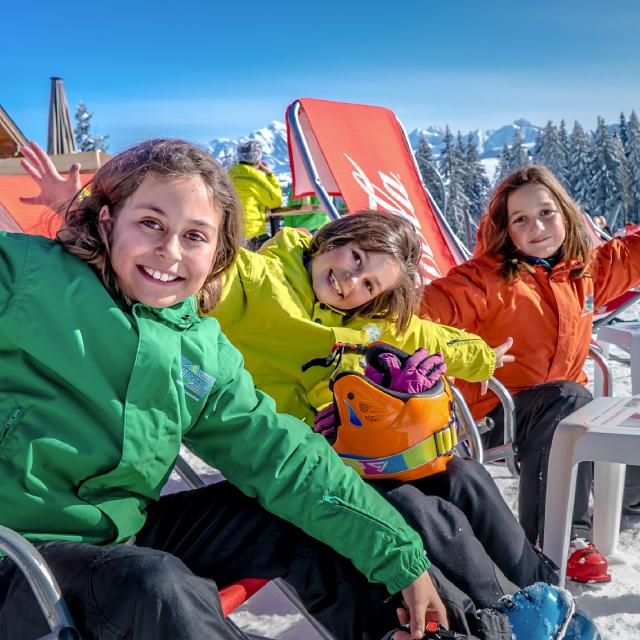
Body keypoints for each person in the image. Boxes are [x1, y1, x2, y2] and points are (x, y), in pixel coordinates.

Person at [15, 141, 598, 640]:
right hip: (19, 548)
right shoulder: (30, 278)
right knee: (157, 586)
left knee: (329, 510)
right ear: (108, 217)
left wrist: (405, 563)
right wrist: (72, 206)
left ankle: (466, 623)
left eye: (194, 236)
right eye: (151, 224)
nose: (170, 251)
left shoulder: (199, 346)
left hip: (122, 525)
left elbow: (282, 456)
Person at [420, 165, 640, 584]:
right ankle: (556, 538)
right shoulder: (484, 280)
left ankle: (624, 501)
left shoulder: (582, 272)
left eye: (546, 213)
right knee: (569, 398)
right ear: (505, 230)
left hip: (562, 411)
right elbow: (422, 311)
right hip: (493, 414)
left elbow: (632, 255)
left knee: (602, 418)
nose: (537, 226)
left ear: (565, 213)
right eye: (520, 219)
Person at [227, 139, 282, 249]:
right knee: (277, 250)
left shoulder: (229, 174)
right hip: (252, 234)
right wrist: (269, 173)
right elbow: (276, 200)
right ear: (258, 159)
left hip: (231, 233)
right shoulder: (256, 177)